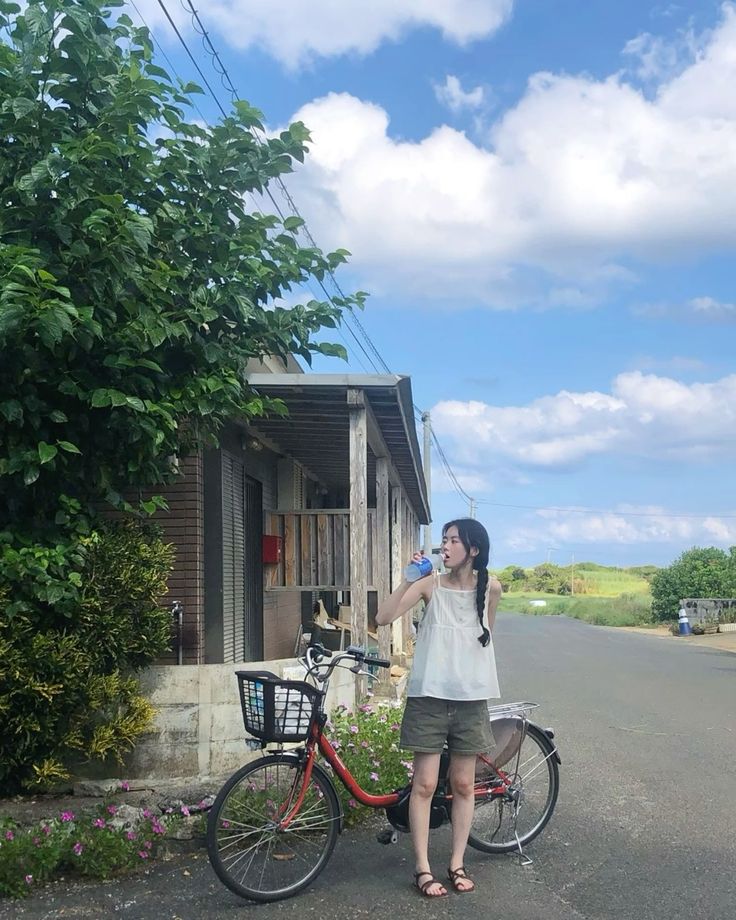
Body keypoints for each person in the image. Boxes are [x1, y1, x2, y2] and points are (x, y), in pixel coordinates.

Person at [376, 518, 502, 898]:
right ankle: (423, 868)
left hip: (470, 700)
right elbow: (383, 618)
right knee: (425, 784)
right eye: (443, 540)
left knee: (463, 784)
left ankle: (457, 863)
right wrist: (407, 579)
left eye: (452, 541)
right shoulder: (429, 585)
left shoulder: (491, 588)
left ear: (473, 550)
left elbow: (485, 638)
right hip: (429, 697)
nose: (444, 547)